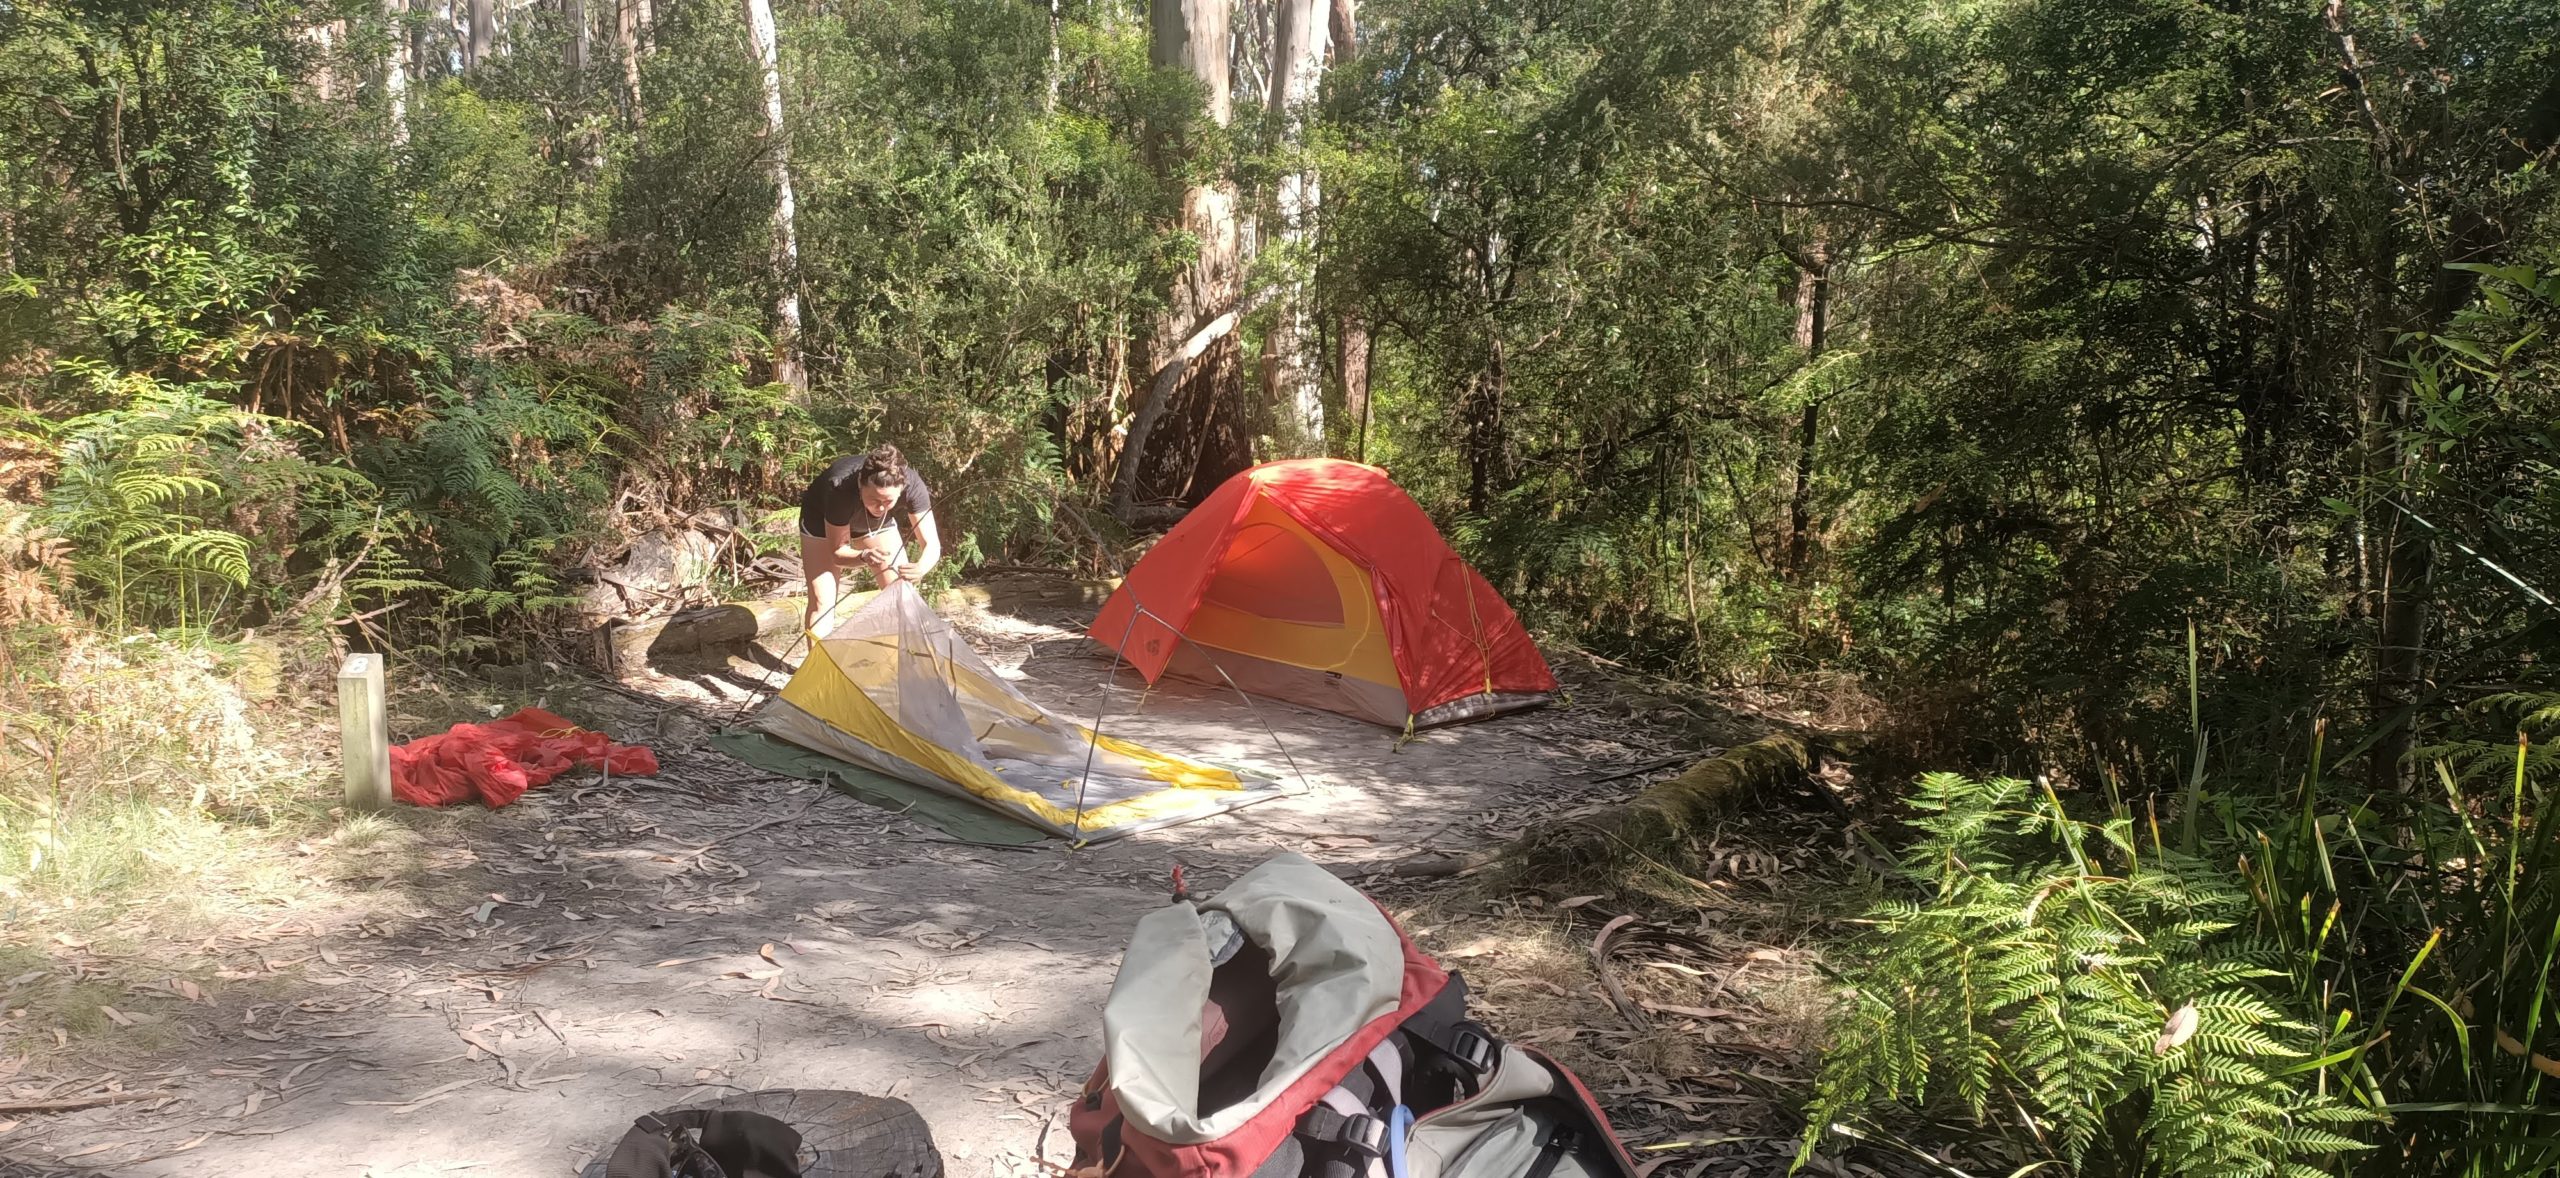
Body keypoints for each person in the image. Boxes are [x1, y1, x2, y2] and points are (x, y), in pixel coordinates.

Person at [797, 444, 941, 630]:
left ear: (901, 489)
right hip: (820, 520)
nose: (880, 507)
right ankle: (817, 659)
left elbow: (932, 545)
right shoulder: (839, 489)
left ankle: (903, 657)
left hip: (873, 525)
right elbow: (837, 554)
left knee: (902, 595)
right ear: (860, 485)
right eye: (874, 499)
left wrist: (921, 567)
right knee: (822, 601)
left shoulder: (913, 485)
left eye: (888, 501)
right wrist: (863, 556)